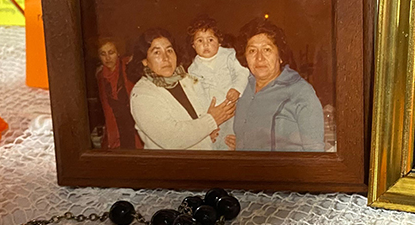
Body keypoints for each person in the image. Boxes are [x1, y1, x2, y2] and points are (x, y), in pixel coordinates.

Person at [128, 28, 236, 150]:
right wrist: (211, 122)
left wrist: (223, 136)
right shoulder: (142, 94)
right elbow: (171, 139)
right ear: (145, 61)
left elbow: (204, 121)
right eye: (157, 52)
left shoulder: (188, 79)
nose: (166, 58)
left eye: (169, 50)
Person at [230, 17, 325, 151]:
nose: (259, 58)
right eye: (252, 51)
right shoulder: (242, 87)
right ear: (245, 57)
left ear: (280, 56)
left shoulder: (300, 91)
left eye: (267, 50)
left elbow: (315, 151)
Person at [185, 15, 250, 150]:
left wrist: (237, 89)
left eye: (210, 39)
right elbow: (196, 96)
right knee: (216, 141)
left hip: (234, 107)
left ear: (219, 42)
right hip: (213, 113)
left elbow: (242, 72)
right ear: (193, 45)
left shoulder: (229, 55)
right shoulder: (192, 70)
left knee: (235, 138)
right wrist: (205, 116)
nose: (206, 44)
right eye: (200, 41)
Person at [94, 39, 140, 149]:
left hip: (134, 123)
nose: (108, 58)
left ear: (118, 53)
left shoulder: (128, 66)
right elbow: (106, 108)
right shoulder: (100, 75)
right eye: (103, 54)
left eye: (111, 53)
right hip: (116, 126)